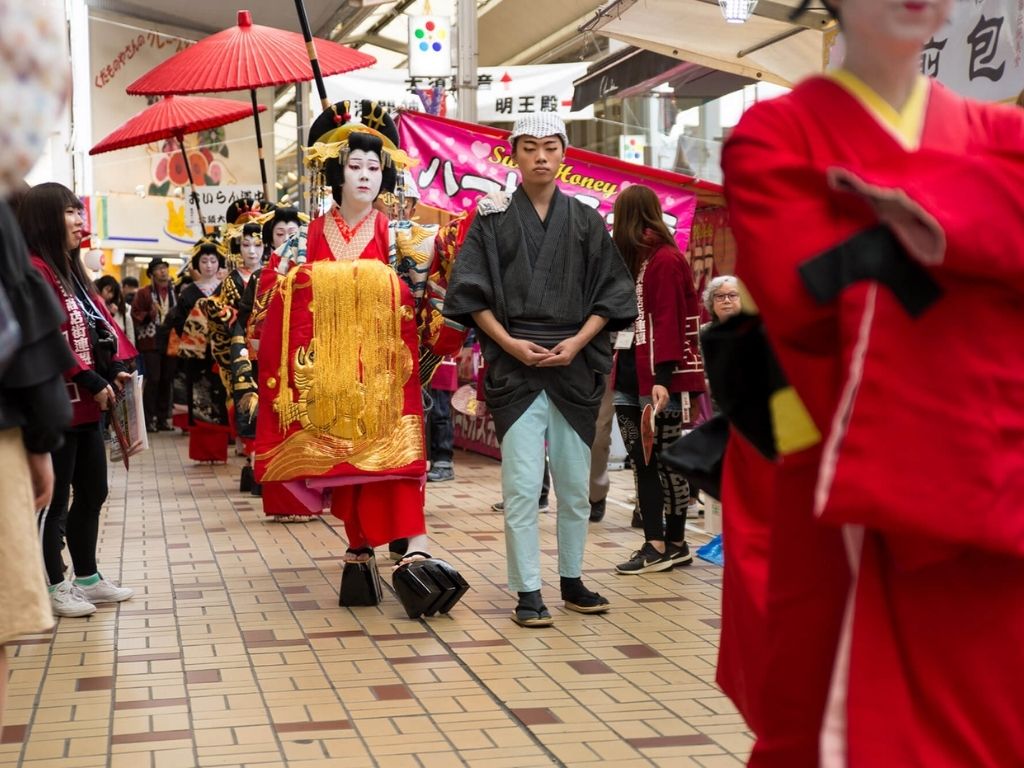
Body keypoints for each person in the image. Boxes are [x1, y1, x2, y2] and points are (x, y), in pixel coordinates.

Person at [720, 0, 1024, 764]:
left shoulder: (1004, 135)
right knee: (825, 729)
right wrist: (982, 250)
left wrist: (921, 230)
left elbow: (861, 278)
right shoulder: (772, 136)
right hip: (841, 497)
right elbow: (807, 301)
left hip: (998, 507)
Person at [444, 113, 637, 627]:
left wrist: (576, 343)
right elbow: (469, 292)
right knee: (522, 485)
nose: (541, 156)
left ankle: (572, 579)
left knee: (575, 486)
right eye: (529, 147)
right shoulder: (490, 219)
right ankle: (528, 590)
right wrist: (509, 343)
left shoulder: (587, 221)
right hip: (516, 365)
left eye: (550, 147)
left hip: (574, 365)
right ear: (514, 155)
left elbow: (613, 294)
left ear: (564, 155)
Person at [253, 101, 442, 568]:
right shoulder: (301, 239)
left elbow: (428, 303)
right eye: (354, 165)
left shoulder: (405, 238)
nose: (364, 175)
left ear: (386, 176)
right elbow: (271, 302)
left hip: (385, 370)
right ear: (336, 172)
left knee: (396, 456)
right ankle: (358, 543)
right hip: (327, 371)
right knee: (344, 461)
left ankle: (413, 542)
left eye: (374, 167)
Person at [19, 182, 136, 618]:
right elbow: (46, 338)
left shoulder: (68, 271)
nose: (79, 220)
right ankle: (52, 583)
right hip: (57, 405)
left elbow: (87, 333)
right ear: (45, 217)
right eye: (70, 212)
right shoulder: (35, 269)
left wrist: (107, 372)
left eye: (79, 211)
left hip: (88, 403)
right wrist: (87, 377)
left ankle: (87, 577)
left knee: (94, 490)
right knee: (54, 501)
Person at [609, 184, 705, 575]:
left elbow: (669, 320)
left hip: (658, 380)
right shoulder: (637, 260)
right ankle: (658, 541)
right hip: (629, 376)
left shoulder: (664, 260)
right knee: (643, 460)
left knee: (662, 461)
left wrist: (663, 376)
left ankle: (672, 542)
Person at [164, 236, 230, 462]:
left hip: (220, 355)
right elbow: (179, 321)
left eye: (213, 260)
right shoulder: (188, 293)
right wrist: (197, 333)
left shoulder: (226, 288)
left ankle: (219, 452)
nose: (209, 265)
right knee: (200, 400)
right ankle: (203, 453)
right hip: (197, 357)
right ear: (197, 265)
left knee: (221, 398)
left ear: (219, 262)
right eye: (204, 261)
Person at [131, 257, 177, 431]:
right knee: (154, 379)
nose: (163, 271)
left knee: (167, 379)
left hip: (170, 339)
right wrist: (150, 313)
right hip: (151, 339)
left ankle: (163, 419)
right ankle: (148, 419)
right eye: (158, 269)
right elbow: (135, 313)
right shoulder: (144, 292)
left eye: (164, 267)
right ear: (151, 274)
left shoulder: (174, 291)